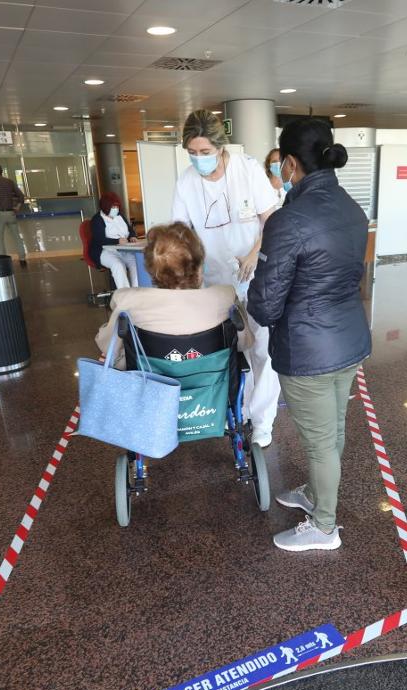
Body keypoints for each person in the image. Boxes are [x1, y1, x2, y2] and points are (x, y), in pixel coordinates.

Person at [249, 118, 369, 553]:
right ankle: (317, 496)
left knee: (319, 441)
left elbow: (264, 302)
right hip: (348, 339)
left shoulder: (289, 220)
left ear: (290, 163)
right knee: (332, 428)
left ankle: (323, 526)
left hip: (307, 349)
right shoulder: (353, 208)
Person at [171, 109, 281, 447]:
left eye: (205, 152)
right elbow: (181, 232)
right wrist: (193, 266)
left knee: (264, 350)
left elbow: (271, 220)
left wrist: (253, 254)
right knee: (234, 351)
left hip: (255, 276)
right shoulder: (187, 181)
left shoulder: (247, 171)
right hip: (215, 283)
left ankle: (262, 422)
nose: (198, 159)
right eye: (192, 152)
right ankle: (241, 410)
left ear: (220, 147)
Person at [95, 222, 240, 368]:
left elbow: (107, 345)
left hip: (150, 385)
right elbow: (245, 343)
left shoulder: (127, 300)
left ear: (151, 269)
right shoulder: (226, 296)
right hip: (212, 387)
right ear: (198, 266)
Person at [90, 192, 140, 290]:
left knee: (136, 263)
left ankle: (136, 292)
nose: (115, 209)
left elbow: (130, 230)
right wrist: (117, 241)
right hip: (105, 251)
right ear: (105, 207)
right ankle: (125, 296)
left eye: (116, 206)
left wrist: (132, 237)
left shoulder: (119, 216)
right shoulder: (97, 220)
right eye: (113, 207)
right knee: (118, 266)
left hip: (123, 250)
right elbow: (100, 239)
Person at [0, 161, 27, 265]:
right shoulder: (9, 181)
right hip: (10, 213)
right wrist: (17, 207)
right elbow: (21, 196)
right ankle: (22, 259)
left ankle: (2, 262)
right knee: (17, 237)